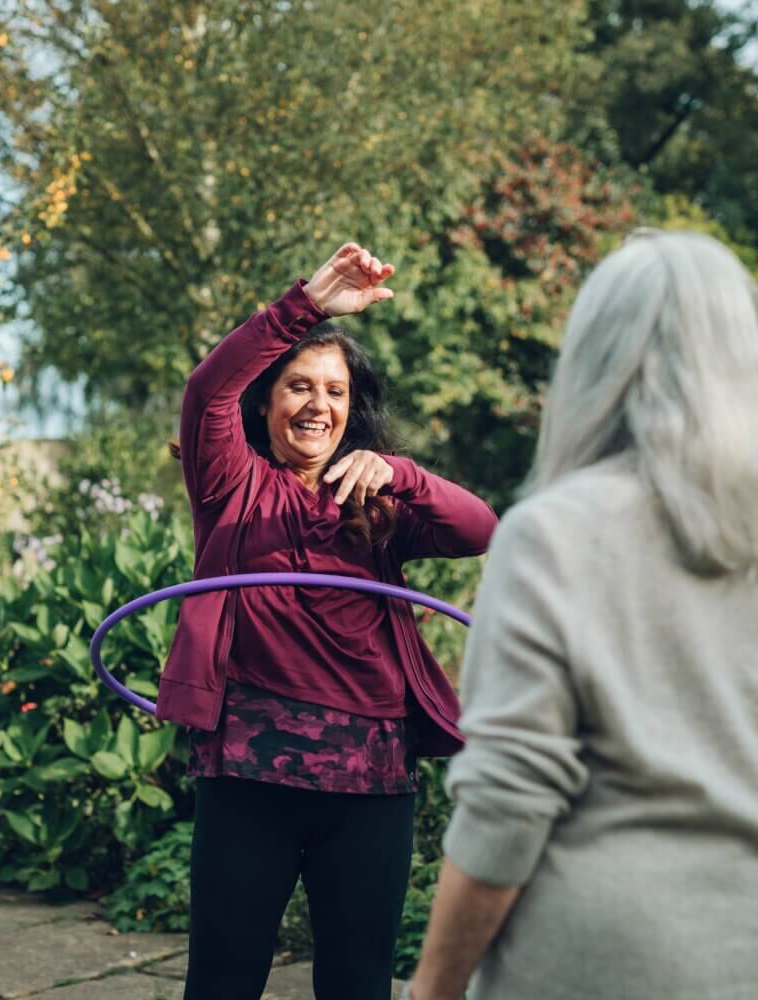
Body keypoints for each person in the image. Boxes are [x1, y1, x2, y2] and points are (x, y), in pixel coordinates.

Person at [404, 230, 758, 1000]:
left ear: (594, 359)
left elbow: (510, 800)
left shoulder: (550, 532)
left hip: (592, 961)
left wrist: (433, 989)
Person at [157, 242, 497, 1000]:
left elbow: (482, 531)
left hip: (372, 780)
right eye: (299, 387)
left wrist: (402, 475)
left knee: (357, 983)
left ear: (354, 407)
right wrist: (304, 305)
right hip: (250, 773)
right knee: (222, 981)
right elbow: (208, 390)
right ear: (267, 403)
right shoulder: (231, 484)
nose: (319, 405)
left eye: (336, 391)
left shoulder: (380, 508)